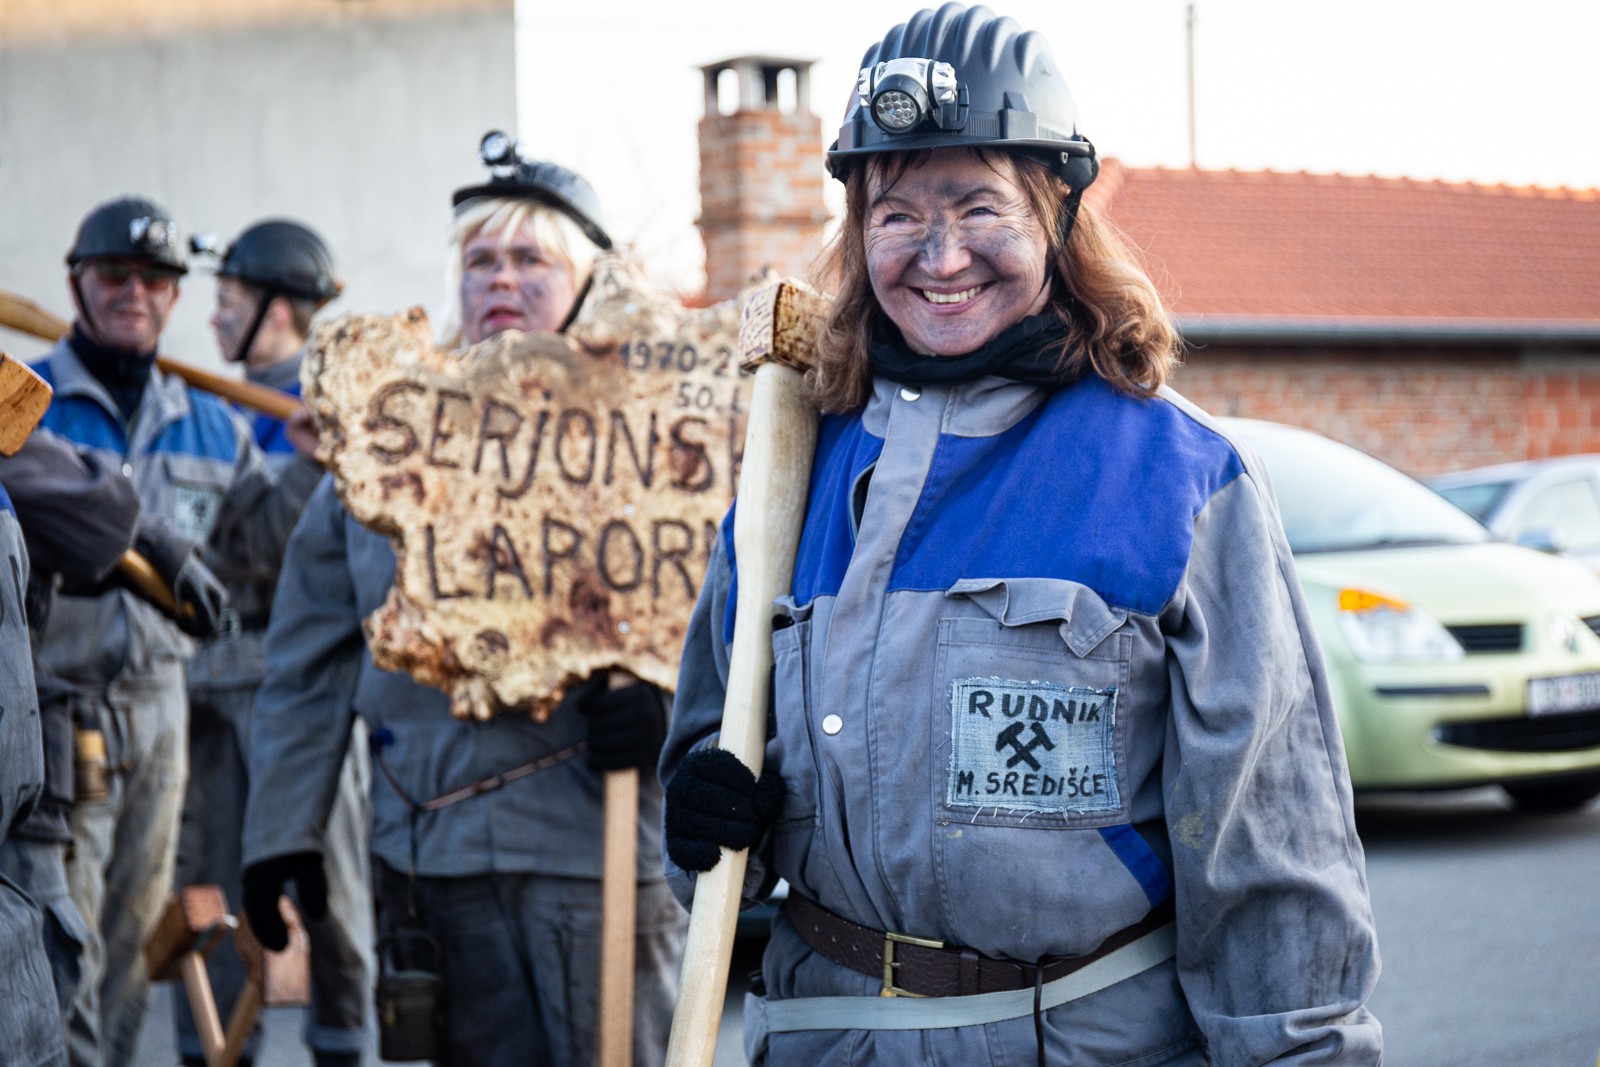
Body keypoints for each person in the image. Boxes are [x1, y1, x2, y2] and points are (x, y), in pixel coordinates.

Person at [659, 5, 1384, 1065]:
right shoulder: (789, 478)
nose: (940, 253)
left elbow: (1270, 849)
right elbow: (708, 792)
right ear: (857, 232)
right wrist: (705, 815)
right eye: (897, 214)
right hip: (820, 1039)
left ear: (1057, 213)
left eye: (978, 206)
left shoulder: (1179, 476)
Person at [240, 135, 686, 1067]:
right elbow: (307, 665)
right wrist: (283, 831)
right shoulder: (385, 456)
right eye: (481, 260)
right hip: (429, 860)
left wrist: (669, 703)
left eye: (531, 260)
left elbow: (730, 623)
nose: (501, 279)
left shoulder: (656, 450)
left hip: (591, 852)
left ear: (589, 283)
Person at [29, 195, 309, 1067]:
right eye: (115, 274)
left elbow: (263, 543)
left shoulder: (209, 421)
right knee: (59, 935)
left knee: (130, 940)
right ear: (76, 283)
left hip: (161, 713)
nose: (135, 292)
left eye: (155, 279)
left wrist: (315, 461)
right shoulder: (25, 408)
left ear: (175, 297)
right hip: (53, 708)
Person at [172, 219, 373, 1067]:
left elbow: (282, 547)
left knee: (330, 884)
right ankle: (215, 1047)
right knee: (213, 887)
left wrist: (314, 464)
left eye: (230, 300)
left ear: (278, 309)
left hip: (305, 680)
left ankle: (344, 1043)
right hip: (210, 679)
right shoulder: (210, 411)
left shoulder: (338, 404)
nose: (214, 317)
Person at [0, 427, 227, 1064]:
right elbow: (97, 520)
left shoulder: (206, 423)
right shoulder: (33, 399)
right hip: (55, 742)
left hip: (143, 711)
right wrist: (144, 534)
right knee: (54, 979)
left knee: (118, 960)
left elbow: (94, 520)